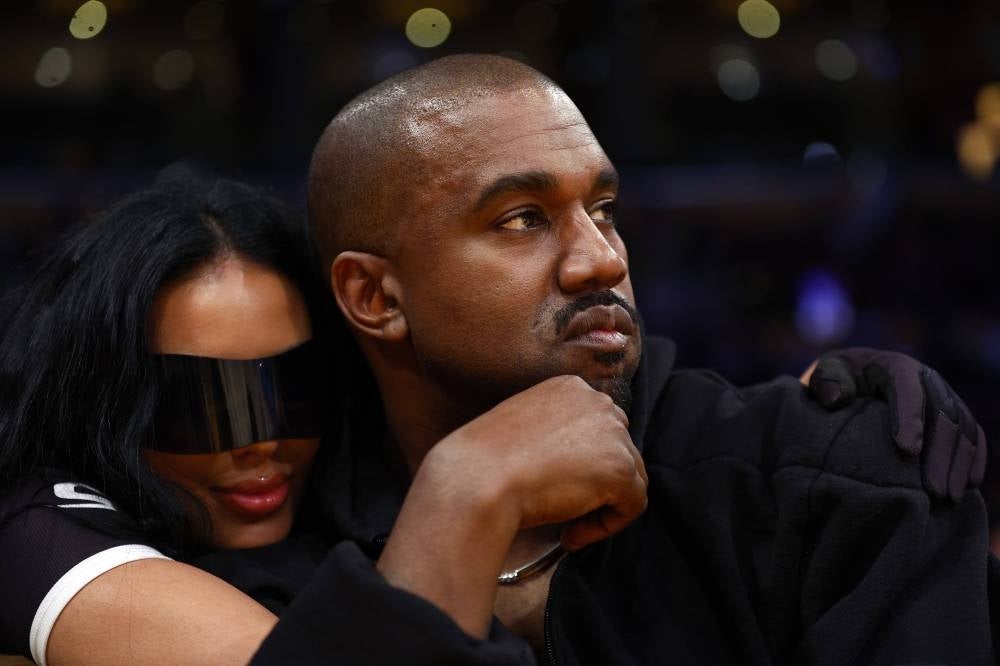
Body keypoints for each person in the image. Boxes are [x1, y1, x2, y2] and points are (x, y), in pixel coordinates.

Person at [271, 53, 995, 664]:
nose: (603, 259)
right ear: (374, 296)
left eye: (606, 210)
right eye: (523, 219)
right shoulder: (276, 543)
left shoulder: (836, 485)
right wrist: (468, 489)